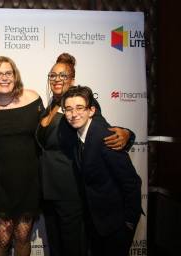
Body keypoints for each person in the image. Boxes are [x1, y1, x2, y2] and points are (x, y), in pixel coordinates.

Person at [35, 53, 135, 256]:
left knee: (73, 248)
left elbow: (101, 128)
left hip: (70, 191)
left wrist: (127, 135)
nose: (57, 80)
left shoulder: (80, 105)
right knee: (55, 247)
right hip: (48, 190)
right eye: (53, 75)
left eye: (63, 76)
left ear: (72, 79)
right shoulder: (50, 107)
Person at [0, 56, 44, 256]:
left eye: (8, 73)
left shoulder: (33, 99)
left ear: (15, 76)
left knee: (22, 237)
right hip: (0, 183)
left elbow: (47, 135)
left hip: (29, 182)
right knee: (3, 239)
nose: (4, 78)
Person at [61, 85, 142, 256]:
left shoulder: (106, 137)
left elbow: (132, 182)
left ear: (91, 111)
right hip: (97, 223)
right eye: (68, 109)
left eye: (79, 108)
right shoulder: (78, 134)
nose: (74, 114)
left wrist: (128, 222)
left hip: (116, 225)